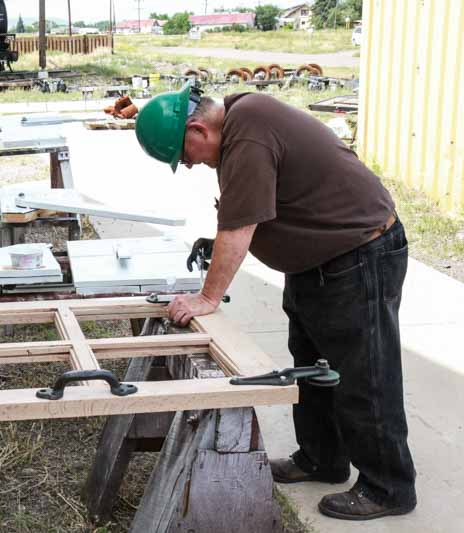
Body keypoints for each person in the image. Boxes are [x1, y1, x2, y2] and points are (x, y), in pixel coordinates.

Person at [134, 83, 416, 520]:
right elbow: (256, 210)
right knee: (314, 366)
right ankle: (321, 458)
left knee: (366, 375)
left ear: (197, 128)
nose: (190, 166)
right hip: (321, 261)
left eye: (186, 157)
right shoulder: (242, 129)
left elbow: (239, 226)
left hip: (359, 254)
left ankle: (388, 486)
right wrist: (218, 243)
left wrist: (208, 297)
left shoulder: (249, 127)